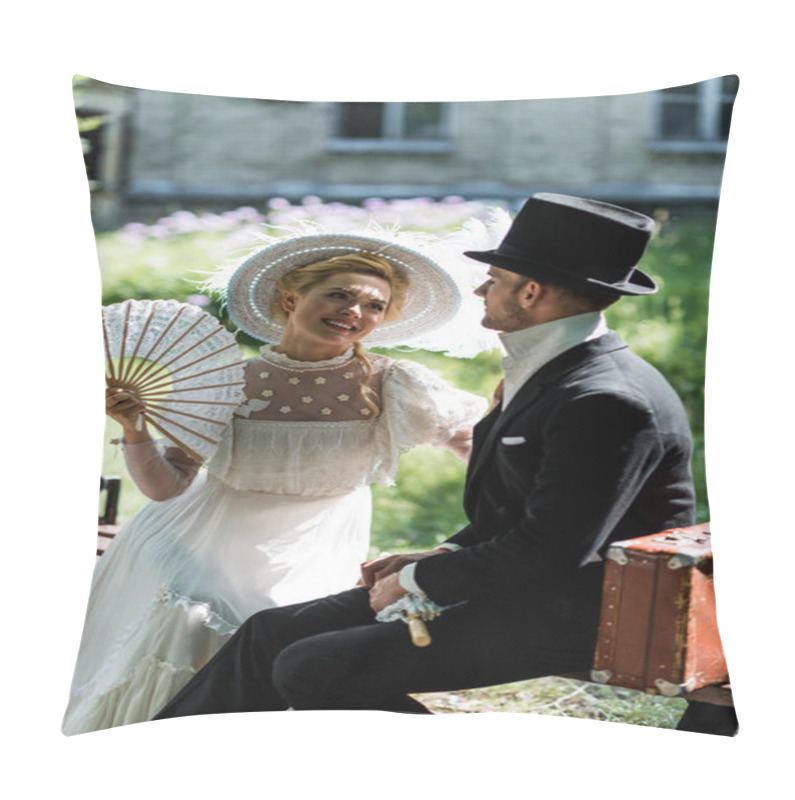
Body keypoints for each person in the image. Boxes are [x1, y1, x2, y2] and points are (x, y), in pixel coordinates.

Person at [152, 192, 735, 735]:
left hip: (577, 610)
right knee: (268, 633)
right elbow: (520, 512)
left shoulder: (606, 398)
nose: (482, 292)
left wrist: (418, 581)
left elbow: (555, 548)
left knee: (312, 664)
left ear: (530, 293)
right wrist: (441, 554)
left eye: (495, 280)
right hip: (515, 580)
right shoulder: (555, 366)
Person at [62, 231, 487, 735]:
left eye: (375, 304)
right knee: (200, 623)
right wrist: (135, 429)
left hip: (315, 546)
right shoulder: (228, 382)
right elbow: (166, 487)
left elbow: (473, 445)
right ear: (291, 299)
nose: (355, 311)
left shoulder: (392, 386)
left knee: (283, 640)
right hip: (203, 539)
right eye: (339, 294)